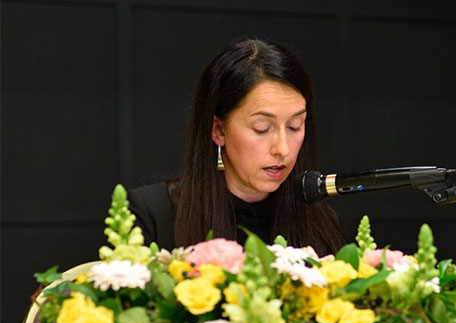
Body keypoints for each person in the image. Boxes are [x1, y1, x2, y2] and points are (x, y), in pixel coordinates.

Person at [129, 37, 346, 256]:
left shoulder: (321, 224)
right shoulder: (152, 216)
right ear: (218, 131)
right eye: (262, 128)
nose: (282, 149)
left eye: (294, 126)